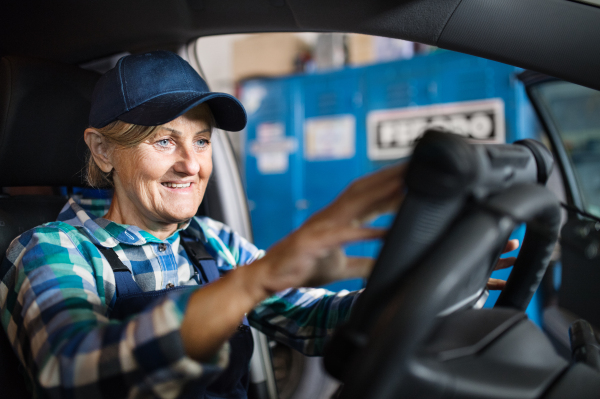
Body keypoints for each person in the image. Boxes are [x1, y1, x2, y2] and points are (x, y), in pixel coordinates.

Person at [0, 51, 513, 399]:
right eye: (163, 141)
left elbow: (312, 322)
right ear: (104, 150)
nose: (192, 165)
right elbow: (67, 373)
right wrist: (254, 281)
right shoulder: (50, 249)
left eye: (201, 141)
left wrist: (427, 282)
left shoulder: (213, 243)